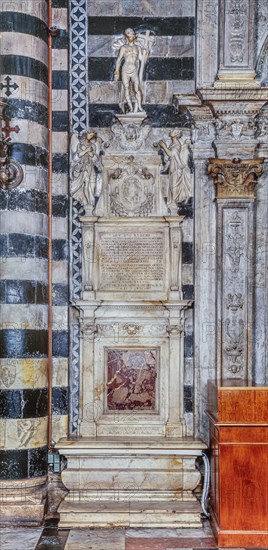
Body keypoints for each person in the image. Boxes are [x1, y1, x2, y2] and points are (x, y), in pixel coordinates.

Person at [158, 129, 191, 206]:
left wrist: (164, 146)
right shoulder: (173, 143)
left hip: (176, 167)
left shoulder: (177, 144)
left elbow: (171, 154)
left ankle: (173, 202)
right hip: (173, 166)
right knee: (172, 183)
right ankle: (172, 201)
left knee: (174, 184)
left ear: (176, 134)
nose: (171, 131)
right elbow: (169, 156)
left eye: (173, 131)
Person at [114, 28, 143, 113]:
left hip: (134, 70)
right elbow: (119, 59)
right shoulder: (123, 47)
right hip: (125, 69)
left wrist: (146, 53)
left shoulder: (138, 48)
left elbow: (141, 58)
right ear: (126, 37)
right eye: (129, 36)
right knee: (126, 88)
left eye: (132, 35)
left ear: (134, 36)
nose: (131, 37)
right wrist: (116, 71)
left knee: (136, 88)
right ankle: (130, 107)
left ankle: (139, 106)